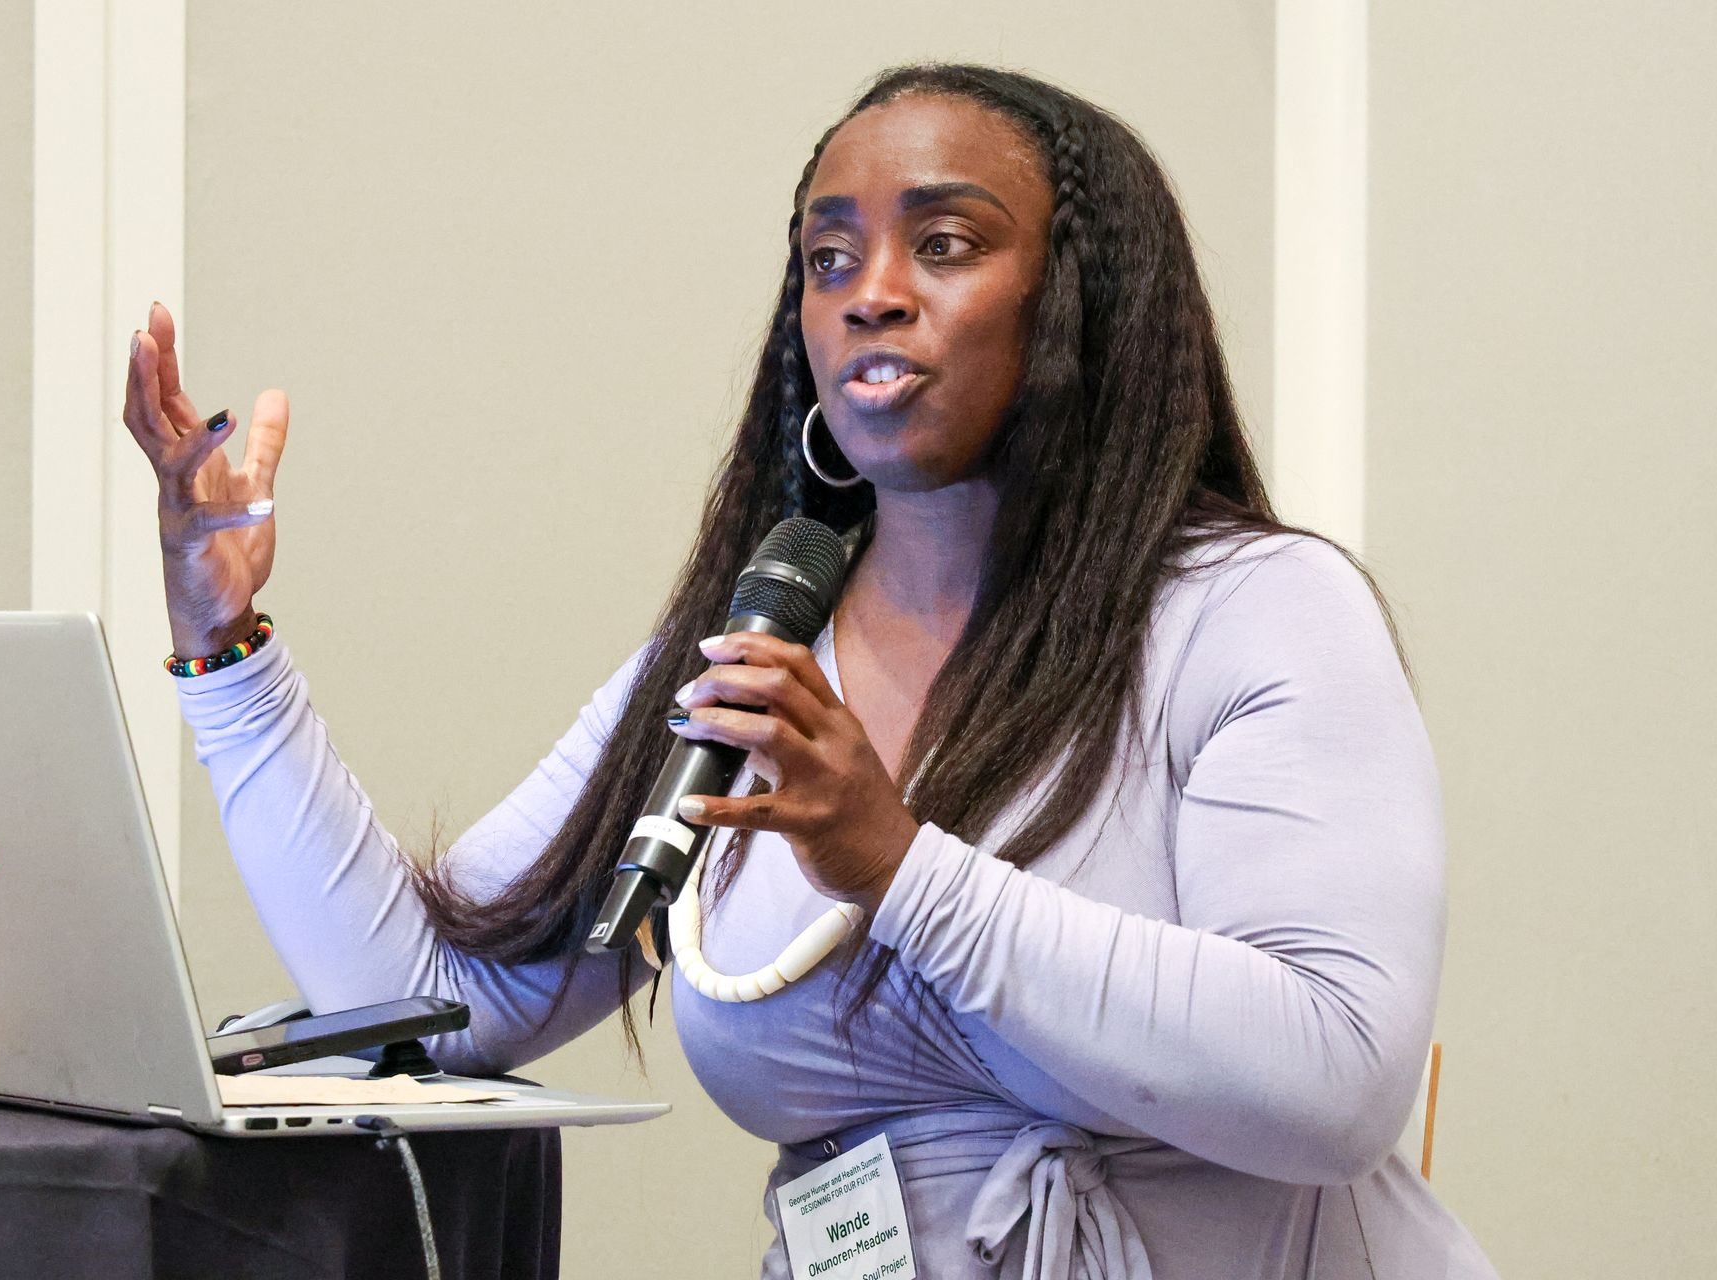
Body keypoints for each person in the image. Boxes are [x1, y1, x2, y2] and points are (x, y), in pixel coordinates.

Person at [123, 63, 1496, 1279]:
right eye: (827, 261)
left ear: (1080, 300)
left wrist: (900, 869)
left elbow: (1334, 1080)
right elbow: (439, 1002)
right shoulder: (763, 645)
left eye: (944, 243)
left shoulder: (1251, 609)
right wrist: (222, 648)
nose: (870, 296)